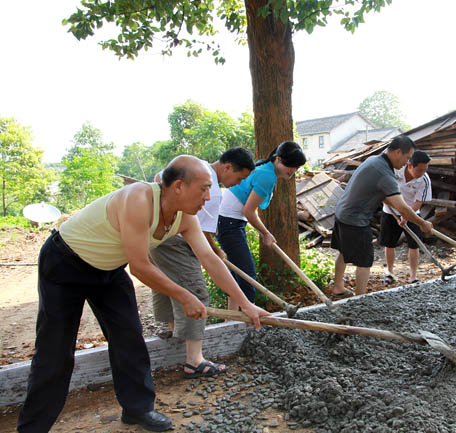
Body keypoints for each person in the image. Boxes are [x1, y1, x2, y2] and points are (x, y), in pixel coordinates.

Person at [17, 155, 270, 433]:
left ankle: (137, 409)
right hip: (65, 263)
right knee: (55, 351)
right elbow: (139, 266)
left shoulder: (185, 217)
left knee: (129, 338)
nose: (208, 198)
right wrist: (185, 296)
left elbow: (209, 259)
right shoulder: (139, 199)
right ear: (178, 187)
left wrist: (245, 304)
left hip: (108, 270)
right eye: (203, 189)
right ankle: (32, 427)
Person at [149, 148, 256, 379]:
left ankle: (176, 337)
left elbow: (159, 178)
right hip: (177, 241)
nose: (237, 184)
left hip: (159, 234)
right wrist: (216, 251)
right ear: (227, 167)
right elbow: (204, 235)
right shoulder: (212, 190)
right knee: (195, 290)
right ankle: (194, 361)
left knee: (167, 286)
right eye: (239, 178)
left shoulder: (194, 168)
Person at [330, 136, 434, 297]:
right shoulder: (384, 173)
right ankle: (360, 300)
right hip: (355, 219)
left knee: (344, 251)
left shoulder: (374, 160)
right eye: (407, 157)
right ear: (398, 152)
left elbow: (384, 196)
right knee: (365, 261)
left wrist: (399, 210)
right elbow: (402, 207)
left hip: (342, 212)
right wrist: (422, 223)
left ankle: (338, 287)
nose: (407, 162)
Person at [218, 141, 307, 311]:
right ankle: (248, 318)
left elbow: (247, 209)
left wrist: (263, 232)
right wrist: (265, 233)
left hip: (229, 221)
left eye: (297, 167)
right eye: (291, 165)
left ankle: (232, 318)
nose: (293, 170)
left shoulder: (265, 167)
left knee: (239, 274)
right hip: (229, 222)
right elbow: (248, 211)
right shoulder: (267, 176)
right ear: (278, 159)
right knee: (247, 276)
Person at [379, 150, 433, 284]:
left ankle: (413, 276)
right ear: (410, 165)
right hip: (390, 211)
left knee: (414, 245)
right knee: (389, 244)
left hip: (412, 213)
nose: (422, 173)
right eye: (420, 170)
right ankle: (389, 273)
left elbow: (419, 202)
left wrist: (406, 215)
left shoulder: (424, 180)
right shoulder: (396, 171)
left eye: (425, 170)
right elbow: (383, 190)